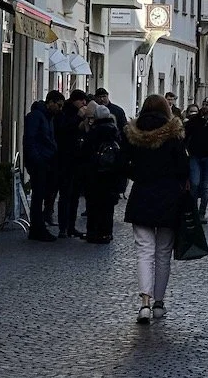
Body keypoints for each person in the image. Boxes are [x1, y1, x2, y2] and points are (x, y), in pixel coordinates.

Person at [122, 94, 189, 324]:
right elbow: (183, 168)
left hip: (142, 196)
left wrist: (139, 175)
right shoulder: (173, 134)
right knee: (163, 253)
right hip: (169, 197)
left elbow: (124, 164)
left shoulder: (133, 134)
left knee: (144, 251)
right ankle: (159, 302)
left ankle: (144, 303)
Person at [23, 90, 65, 241]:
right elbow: (30, 140)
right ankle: (37, 228)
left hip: (46, 161)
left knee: (43, 194)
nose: (60, 109)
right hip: (40, 162)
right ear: (51, 102)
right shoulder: (36, 117)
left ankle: (39, 226)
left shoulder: (48, 117)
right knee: (38, 196)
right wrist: (37, 160)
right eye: (58, 105)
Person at [80, 102, 122, 244]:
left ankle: (94, 232)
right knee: (107, 207)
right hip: (111, 174)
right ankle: (106, 233)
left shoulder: (95, 131)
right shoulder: (114, 130)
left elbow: (85, 150)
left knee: (94, 204)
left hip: (96, 174)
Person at [55, 89, 88, 237]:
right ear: (75, 100)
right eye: (82, 101)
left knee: (74, 195)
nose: (84, 104)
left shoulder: (76, 112)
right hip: (65, 159)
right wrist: (78, 118)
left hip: (77, 159)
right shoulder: (65, 112)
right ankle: (64, 226)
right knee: (66, 194)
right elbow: (63, 130)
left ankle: (71, 226)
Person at [184, 97, 208, 222]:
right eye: (204, 104)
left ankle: (202, 213)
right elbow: (186, 135)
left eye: (207, 105)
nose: (205, 106)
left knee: (205, 187)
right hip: (195, 155)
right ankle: (194, 212)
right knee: (194, 184)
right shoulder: (195, 120)